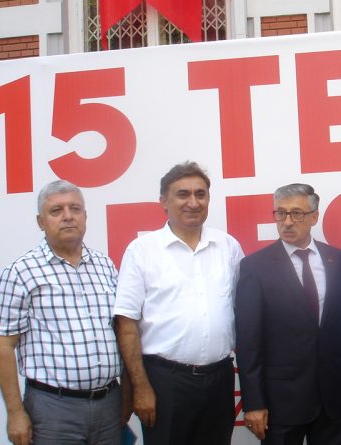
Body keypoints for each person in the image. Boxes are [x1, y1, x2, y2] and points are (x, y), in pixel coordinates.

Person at [114, 162, 244, 445]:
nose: (193, 202)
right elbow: (126, 324)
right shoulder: (142, 251)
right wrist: (141, 386)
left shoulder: (228, 247)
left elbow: (242, 312)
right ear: (164, 201)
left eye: (200, 194)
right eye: (183, 194)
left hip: (220, 378)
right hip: (165, 382)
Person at [0, 180, 128, 445]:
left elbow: (121, 331)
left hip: (108, 403)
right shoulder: (20, 272)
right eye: (56, 211)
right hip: (53, 408)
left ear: (85, 216)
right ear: (40, 222)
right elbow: (3, 346)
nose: (68, 216)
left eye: (75, 209)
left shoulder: (105, 265)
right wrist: (15, 412)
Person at [234, 183, 341, 444]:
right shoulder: (255, 267)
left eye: (297, 214)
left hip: (332, 399)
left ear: (314, 217)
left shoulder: (338, 260)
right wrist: (254, 402)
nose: (287, 222)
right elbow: (248, 342)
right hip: (281, 403)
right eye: (281, 213)